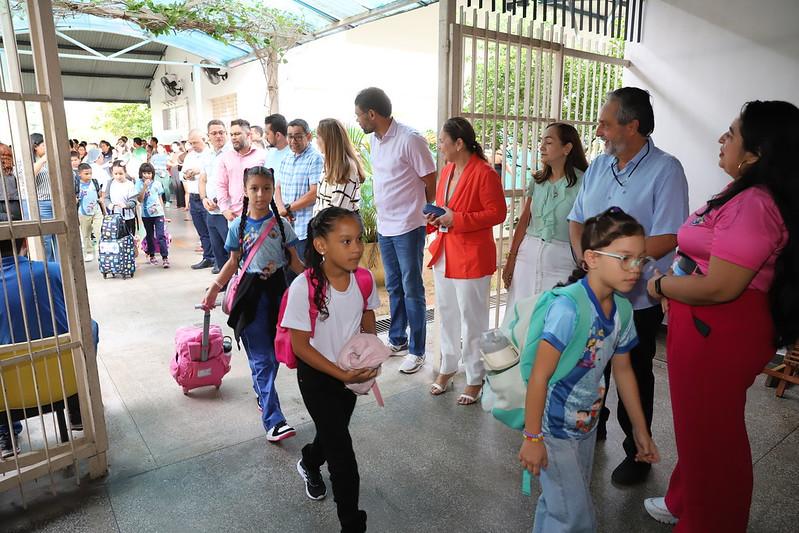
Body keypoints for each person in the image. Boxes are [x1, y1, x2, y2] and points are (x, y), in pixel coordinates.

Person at [641, 101, 799, 532]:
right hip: (706, 325)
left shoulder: (755, 204)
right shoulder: (741, 193)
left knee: (713, 436)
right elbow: (704, 259)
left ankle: (711, 521)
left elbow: (720, 286)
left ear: (757, 151)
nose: (722, 139)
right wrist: (676, 283)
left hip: (721, 328)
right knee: (697, 428)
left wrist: (661, 286)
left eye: (731, 133)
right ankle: (684, 501)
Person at [567, 87, 688, 485]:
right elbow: (577, 220)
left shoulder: (666, 170)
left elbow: (669, 236)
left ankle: (638, 452)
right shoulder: (600, 167)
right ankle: (593, 426)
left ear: (632, 125)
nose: (598, 130)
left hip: (637, 299)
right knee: (591, 365)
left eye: (606, 122)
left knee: (632, 373)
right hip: (593, 292)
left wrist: (613, 265)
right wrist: (588, 265)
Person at [519, 207, 660, 532]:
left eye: (641, 259)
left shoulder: (622, 310)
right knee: (576, 516)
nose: (635, 268)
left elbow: (623, 372)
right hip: (554, 428)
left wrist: (639, 430)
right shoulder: (568, 309)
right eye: (624, 258)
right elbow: (540, 376)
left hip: (586, 425)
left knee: (561, 503)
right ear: (592, 258)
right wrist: (532, 437)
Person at [282, 206, 380, 533]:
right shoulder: (304, 286)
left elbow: (367, 319)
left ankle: (309, 461)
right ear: (322, 245)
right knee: (342, 453)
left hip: (348, 377)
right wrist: (341, 375)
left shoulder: (363, 279)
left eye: (359, 240)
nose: (356, 248)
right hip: (316, 376)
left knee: (331, 432)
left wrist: (367, 353)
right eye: (346, 241)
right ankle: (353, 524)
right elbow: (300, 346)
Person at [202, 166, 302, 443]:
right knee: (263, 358)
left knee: (275, 354)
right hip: (249, 296)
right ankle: (274, 420)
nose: (260, 194)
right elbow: (232, 263)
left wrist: (317, 282)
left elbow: (294, 262)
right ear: (245, 191)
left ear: (273, 191)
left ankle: (262, 391)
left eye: (266, 188)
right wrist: (214, 288)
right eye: (254, 188)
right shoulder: (238, 226)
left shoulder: (283, 225)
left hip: (280, 295)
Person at [0, 206, 99, 458]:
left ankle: (6, 432)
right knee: (89, 326)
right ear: (24, 240)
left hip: (9, 394)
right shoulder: (54, 271)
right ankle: (76, 405)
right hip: (61, 379)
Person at [354, 87, 436, 374]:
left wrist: (426, 214)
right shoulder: (376, 140)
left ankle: (418, 350)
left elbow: (430, 179)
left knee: (412, 287)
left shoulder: (410, 139)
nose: (358, 121)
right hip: (386, 227)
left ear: (372, 114)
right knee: (393, 286)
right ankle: (398, 338)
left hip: (409, 226)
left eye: (359, 115)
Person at [426, 118, 507, 404]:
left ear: (459, 143)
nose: (440, 146)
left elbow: (497, 213)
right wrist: (435, 217)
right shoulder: (447, 171)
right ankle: (448, 366)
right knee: (446, 314)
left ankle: (475, 376)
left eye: (442, 141)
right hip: (446, 252)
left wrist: (456, 219)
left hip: (472, 256)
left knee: (472, 320)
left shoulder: (485, 173)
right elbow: (444, 209)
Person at [503, 123, 588, 310]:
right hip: (527, 257)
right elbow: (524, 221)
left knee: (554, 316)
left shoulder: (585, 182)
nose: (541, 147)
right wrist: (511, 259)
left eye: (548, 142)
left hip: (563, 260)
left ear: (567, 148)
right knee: (522, 315)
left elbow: (587, 227)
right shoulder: (538, 180)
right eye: (542, 142)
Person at [275, 118, 321, 261]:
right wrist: (281, 209)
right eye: (290, 136)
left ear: (308, 136)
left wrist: (288, 209)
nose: (293, 141)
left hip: (305, 228)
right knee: (288, 273)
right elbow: (278, 187)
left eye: (298, 136)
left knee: (306, 272)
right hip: (286, 227)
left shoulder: (315, 159)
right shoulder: (286, 158)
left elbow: (314, 193)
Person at [217, 119, 266, 223]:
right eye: (232, 134)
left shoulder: (262, 156)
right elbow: (221, 185)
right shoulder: (226, 158)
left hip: (259, 215)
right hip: (234, 216)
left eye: (237, 134)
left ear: (249, 134)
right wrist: (224, 209)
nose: (234, 138)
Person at [313, 118, 365, 216]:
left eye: (318, 137)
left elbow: (337, 210)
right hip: (323, 226)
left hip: (337, 228)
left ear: (328, 140)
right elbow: (319, 202)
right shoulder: (328, 164)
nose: (316, 142)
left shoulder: (347, 168)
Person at [200, 119, 231, 274]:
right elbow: (203, 179)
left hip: (226, 212)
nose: (218, 136)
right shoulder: (207, 155)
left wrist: (219, 201)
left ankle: (236, 287)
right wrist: (204, 198)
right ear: (208, 136)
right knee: (218, 251)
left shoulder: (232, 153)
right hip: (211, 212)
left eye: (221, 132)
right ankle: (224, 285)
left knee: (232, 252)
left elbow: (233, 182)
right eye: (214, 133)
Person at [182, 129, 215, 269]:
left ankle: (217, 259)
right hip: (194, 196)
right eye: (191, 143)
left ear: (204, 139)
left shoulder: (212, 154)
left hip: (207, 197)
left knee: (212, 230)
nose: (193, 145)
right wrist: (187, 175)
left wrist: (199, 171)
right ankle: (207, 257)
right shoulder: (190, 156)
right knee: (202, 231)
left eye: (195, 142)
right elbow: (183, 174)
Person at [28, 133, 57, 262]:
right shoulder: (31, 161)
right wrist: (43, 159)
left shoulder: (51, 159)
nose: (46, 148)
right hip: (42, 203)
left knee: (60, 238)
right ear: (35, 147)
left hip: (56, 201)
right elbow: (30, 175)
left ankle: (62, 268)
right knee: (45, 240)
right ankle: (49, 268)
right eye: (44, 145)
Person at [136, 162, 169, 268]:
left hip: (158, 214)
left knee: (160, 235)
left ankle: (165, 257)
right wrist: (144, 187)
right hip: (146, 215)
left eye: (149, 173)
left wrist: (163, 214)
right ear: (141, 173)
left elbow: (160, 199)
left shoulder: (157, 183)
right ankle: (151, 254)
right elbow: (139, 200)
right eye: (144, 173)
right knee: (149, 235)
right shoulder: (138, 183)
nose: (147, 175)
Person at [76, 163, 103, 262]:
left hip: (96, 211)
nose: (89, 176)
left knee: (99, 230)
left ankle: (102, 250)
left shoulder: (94, 182)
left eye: (90, 173)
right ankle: (89, 252)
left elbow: (99, 193)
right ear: (80, 174)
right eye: (86, 174)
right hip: (83, 212)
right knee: (86, 233)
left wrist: (101, 200)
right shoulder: (77, 185)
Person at [103, 160, 138, 236]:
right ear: (112, 173)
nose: (118, 176)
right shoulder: (110, 183)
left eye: (121, 173)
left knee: (130, 239)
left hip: (128, 217)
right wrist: (110, 205)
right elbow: (106, 198)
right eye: (115, 174)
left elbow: (134, 200)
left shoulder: (130, 184)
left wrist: (127, 205)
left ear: (125, 172)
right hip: (114, 217)